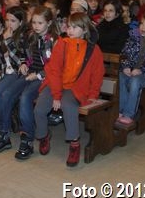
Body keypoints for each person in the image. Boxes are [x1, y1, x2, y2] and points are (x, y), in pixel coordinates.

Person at [34, 12, 105, 167]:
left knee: (69, 106)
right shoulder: (62, 44)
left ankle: (74, 143)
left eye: (75, 27)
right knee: (39, 109)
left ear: (84, 29)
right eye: (69, 26)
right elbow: (54, 71)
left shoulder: (93, 49)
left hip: (76, 88)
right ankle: (44, 136)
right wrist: (56, 95)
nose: (70, 30)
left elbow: (97, 75)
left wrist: (93, 95)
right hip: (56, 85)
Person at [9, 5, 59, 160]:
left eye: (40, 23)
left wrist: (37, 75)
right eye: (34, 22)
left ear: (49, 23)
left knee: (25, 97)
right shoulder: (31, 36)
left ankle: (28, 139)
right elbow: (24, 54)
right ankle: (10, 129)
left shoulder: (54, 41)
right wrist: (24, 63)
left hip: (46, 78)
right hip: (31, 73)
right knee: (10, 92)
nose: (36, 26)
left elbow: (55, 67)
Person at [0, 6, 28, 153]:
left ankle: (3, 134)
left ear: (21, 22)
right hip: (5, 72)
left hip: (19, 74)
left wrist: (8, 41)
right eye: (7, 20)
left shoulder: (23, 36)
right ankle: (6, 129)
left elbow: (20, 61)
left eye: (13, 21)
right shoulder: (3, 34)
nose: (9, 24)